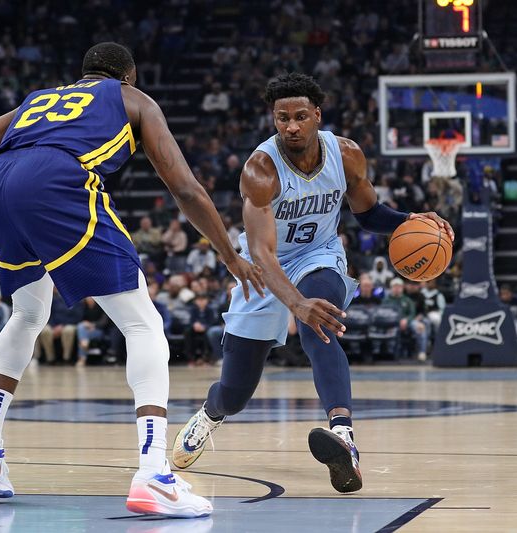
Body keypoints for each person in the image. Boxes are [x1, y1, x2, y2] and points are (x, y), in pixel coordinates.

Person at [0, 42, 263, 518]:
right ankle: (153, 474)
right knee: (143, 327)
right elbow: (185, 188)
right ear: (129, 76)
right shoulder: (132, 100)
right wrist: (228, 254)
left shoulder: (35, 101)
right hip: (55, 182)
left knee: (27, 315)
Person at [171, 73, 453, 494]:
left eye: (301, 116)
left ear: (317, 115)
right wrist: (294, 302)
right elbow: (263, 254)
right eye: (282, 118)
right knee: (235, 391)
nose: (291, 126)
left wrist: (411, 221)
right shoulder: (260, 170)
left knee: (318, 318)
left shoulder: (347, 155)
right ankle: (211, 414)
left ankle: (344, 436)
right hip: (262, 269)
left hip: (318, 254)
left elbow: (369, 213)